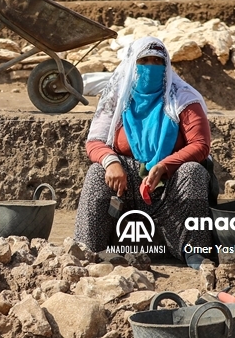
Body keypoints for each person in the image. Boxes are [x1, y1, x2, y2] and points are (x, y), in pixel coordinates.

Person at [74, 37, 213, 268]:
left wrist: (165, 165)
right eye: (144, 60)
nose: (150, 67)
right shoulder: (117, 97)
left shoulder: (183, 98)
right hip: (126, 183)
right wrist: (111, 163)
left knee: (193, 171)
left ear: (166, 66)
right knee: (97, 172)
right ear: (131, 64)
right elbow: (95, 141)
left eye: (157, 61)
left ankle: (195, 252)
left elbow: (200, 144)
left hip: (168, 182)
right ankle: (87, 249)